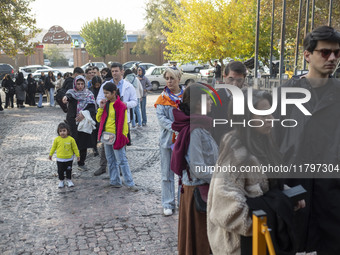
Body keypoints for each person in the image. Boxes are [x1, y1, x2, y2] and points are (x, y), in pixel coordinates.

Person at [207, 89, 303, 255]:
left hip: (261, 243)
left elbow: (267, 187)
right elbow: (225, 210)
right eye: (263, 115)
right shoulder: (236, 153)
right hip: (242, 246)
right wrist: (276, 213)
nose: (270, 120)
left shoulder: (263, 143)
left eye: (270, 114)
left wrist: (288, 197)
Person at [274, 25, 340, 254]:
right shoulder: (286, 94)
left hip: (332, 197)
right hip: (293, 191)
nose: (332, 58)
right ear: (307, 55)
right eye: (325, 52)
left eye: (337, 53)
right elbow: (270, 142)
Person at [171, 84, 218, 255]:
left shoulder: (201, 125)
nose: (212, 103)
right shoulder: (196, 130)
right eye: (208, 99)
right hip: (198, 192)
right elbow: (198, 168)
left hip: (200, 189)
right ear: (198, 102)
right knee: (201, 244)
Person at [96, 82, 138, 191]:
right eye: (104, 93)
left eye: (107, 93)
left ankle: (130, 183)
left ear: (114, 92)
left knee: (122, 161)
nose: (105, 95)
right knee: (110, 160)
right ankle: (114, 181)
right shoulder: (106, 104)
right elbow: (98, 119)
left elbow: (123, 123)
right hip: (107, 135)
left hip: (117, 136)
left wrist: (122, 136)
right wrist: (101, 107)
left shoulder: (121, 105)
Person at [154, 66, 184, 216]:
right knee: (166, 173)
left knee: (183, 172)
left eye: (172, 78)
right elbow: (161, 119)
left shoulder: (187, 96)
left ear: (179, 78)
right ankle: (168, 203)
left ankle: (183, 202)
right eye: (167, 78)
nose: (169, 81)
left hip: (184, 140)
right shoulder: (162, 98)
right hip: (167, 141)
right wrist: (176, 127)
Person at [97, 62, 137, 146]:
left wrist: (125, 104)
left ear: (122, 71)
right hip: (108, 119)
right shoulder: (105, 85)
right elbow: (99, 98)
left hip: (123, 118)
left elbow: (134, 101)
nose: (114, 73)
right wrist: (102, 103)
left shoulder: (129, 86)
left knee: (121, 144)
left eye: (116, 71)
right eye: (112, 71)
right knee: (107, 146)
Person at [62, 75, 96, 171]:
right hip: (72, 121)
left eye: (82, 84)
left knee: (83, 143)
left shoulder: (89, 94)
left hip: (83, 122)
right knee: (71, 142)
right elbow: (68, 97)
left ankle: (81, 163)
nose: (80, 86)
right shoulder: (71, 93)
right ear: (75, 84)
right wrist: (65, 98)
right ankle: (67, 164)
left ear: (85, 84)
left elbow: (92, 107)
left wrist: (84, 114)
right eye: (78, 83)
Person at [211, 61, 248, 145]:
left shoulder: (249, 99)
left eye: (239, 80)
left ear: (244, 79)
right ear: (224, 77)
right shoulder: (213, 99)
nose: (234, 84)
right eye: (231, 79)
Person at [49, 122, 80, 188]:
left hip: (69, 158)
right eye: (60, 131)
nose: (62, 133)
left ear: (67, 131)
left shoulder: (71, 139)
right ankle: (61, 181)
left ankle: (69, 180)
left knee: (69, 170)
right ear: (58, 132)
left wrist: (78, 155)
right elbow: (53, 147)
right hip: (60, 159)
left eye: (64, 131)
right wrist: (50, 154)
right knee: (60, 171)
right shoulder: (57, 140)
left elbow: (75, 148)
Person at [89, 75, 102, 157]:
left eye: (98, 85)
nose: (97, 86)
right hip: (93, 114)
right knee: (94, 131)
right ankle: (94, 147)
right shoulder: (90, 91)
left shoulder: (102, 90)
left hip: (101, 113)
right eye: (96, 85)